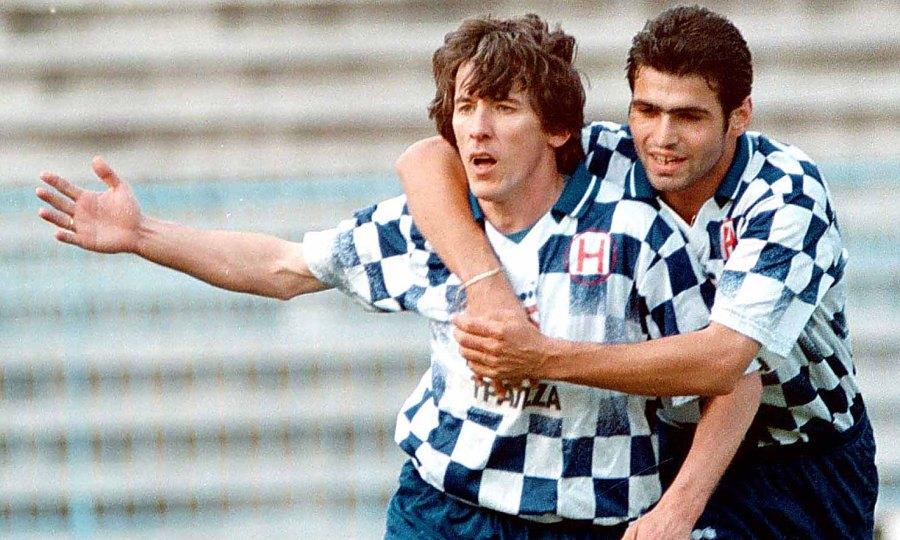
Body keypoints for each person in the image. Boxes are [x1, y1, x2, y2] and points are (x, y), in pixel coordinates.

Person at [36, 13, 761, 540]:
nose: (477, 128)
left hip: (586, 521)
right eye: (465, 108)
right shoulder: (426, 226)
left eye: (504, 108)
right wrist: (143, 235)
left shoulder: (633, 234)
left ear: (557, 128)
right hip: (443, 511)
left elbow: (732, 380)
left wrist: (676, 512)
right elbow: (283, 267)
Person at [396, 5, 878, 539]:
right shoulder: (615, 155)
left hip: (796, 453)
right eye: (647, 110)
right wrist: (487, 289)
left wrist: (541, 357)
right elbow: (426, 160)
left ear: (740, 115)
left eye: (689, 117)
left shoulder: (785, 195)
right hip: (673, 445)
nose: (662, 136)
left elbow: (722, 362)